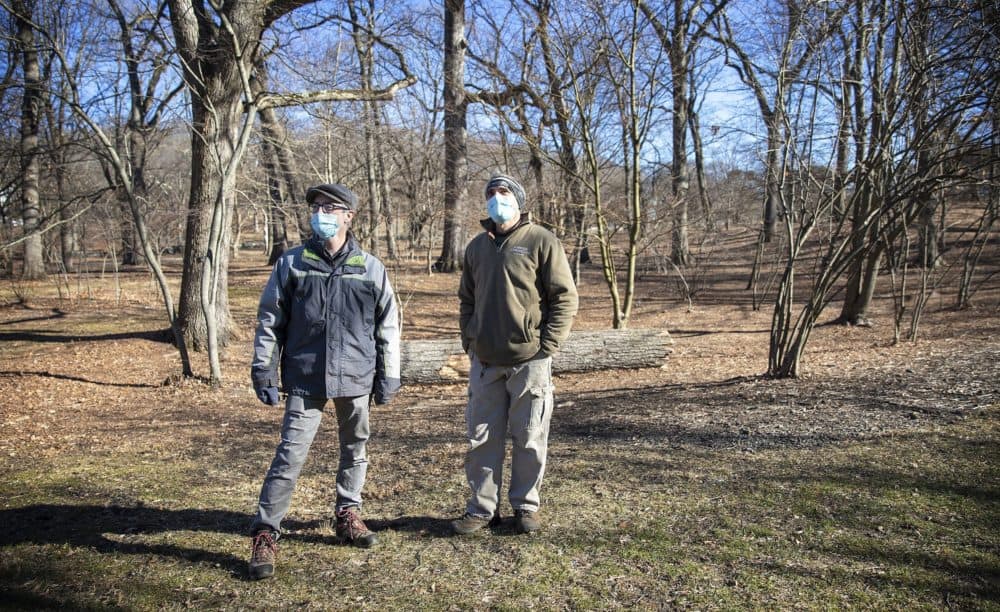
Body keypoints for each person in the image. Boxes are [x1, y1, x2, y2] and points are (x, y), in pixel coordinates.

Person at [247, 183, 401, 580]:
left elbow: (388, 327)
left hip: (356, 376)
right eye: (316, 207)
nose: (321, 213)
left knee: (356, 449)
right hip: (305, 375)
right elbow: (270, 320)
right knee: (290, 455)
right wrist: (263, 368)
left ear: (349, 215)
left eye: (330, 207)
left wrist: (390, 374)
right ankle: (266, 532)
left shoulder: (369, 267)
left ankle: (348, 514)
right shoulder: (292, 263)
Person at [452, 173, 579, 536]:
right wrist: (470, 340)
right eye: (491, 193)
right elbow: (467, 299)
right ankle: (481, 509)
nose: (496, 198)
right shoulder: (476, 247)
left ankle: (525, 507)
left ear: (518, 200)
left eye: (503, 192)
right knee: (481, 439)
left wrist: (547, 345)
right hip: (486, 361)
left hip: (530, 360)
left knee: (530, 436)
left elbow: (564, 296)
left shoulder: (541, 240)